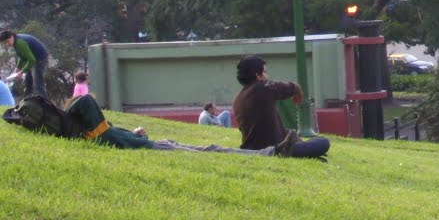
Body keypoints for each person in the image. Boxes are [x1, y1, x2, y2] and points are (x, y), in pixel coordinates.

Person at [64, 93, 296, 156]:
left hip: (156, 143)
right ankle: (270, 152)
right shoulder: (95, 133)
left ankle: (271, 151)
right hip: (155, 148)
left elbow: (119, 137)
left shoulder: (102, 132)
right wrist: (66, 114)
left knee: (212, 148)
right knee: (214, 150)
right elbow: (83, 101)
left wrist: (135, 132)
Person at [233, 55, 330, 159]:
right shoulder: (263, 87)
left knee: (301, 139)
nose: (267, 76)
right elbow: (291, 87)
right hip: (273, 149)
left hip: (251, 148)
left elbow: (265, 129)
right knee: (323, 142)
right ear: (258, 75)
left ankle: (305, 152)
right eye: (265, 72)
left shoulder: (237, 100)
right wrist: (298, 91)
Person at [0, 30, 49, 99]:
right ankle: (27, 102)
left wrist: (21, 71)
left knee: (37, 84)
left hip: (40, 59)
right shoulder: (15, 42)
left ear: (11, 37)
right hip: (33, 59)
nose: (7, 44)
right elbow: (22, 56)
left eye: (7, 41)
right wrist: (17, 68)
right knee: (27, 82)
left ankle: (44, 105)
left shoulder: (20, 43)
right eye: (5, 43)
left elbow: (32, 60)